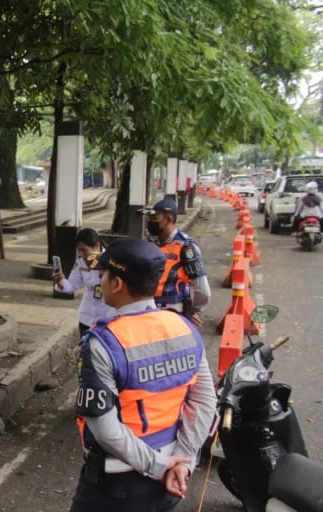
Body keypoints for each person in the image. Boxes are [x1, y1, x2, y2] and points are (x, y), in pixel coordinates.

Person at [70, 238, 217, 511]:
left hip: (115, 487)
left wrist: (159, 466)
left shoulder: (103, 343)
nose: (101, 282)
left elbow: (104, 427)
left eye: (104, 276)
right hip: (171, 480)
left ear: (117, 284)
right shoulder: (185, 329)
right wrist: (182, 460)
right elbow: (204, 401)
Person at [142, 198, 210, 326]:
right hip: (147, 311)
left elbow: (203, 291)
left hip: (172, 313)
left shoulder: (186, 247)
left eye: (154, 218)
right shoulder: (149, 242)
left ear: (168, 219)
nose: (150, 222)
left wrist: (192, 310)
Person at [52, 228, 116, 335]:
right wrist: (60, 282)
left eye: (84, 250)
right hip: (86, 318)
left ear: (96, 246)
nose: (81, 254)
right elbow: (71, 286)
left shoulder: (112, 260)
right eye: (79, 250)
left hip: (107, 318)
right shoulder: (81, 262)